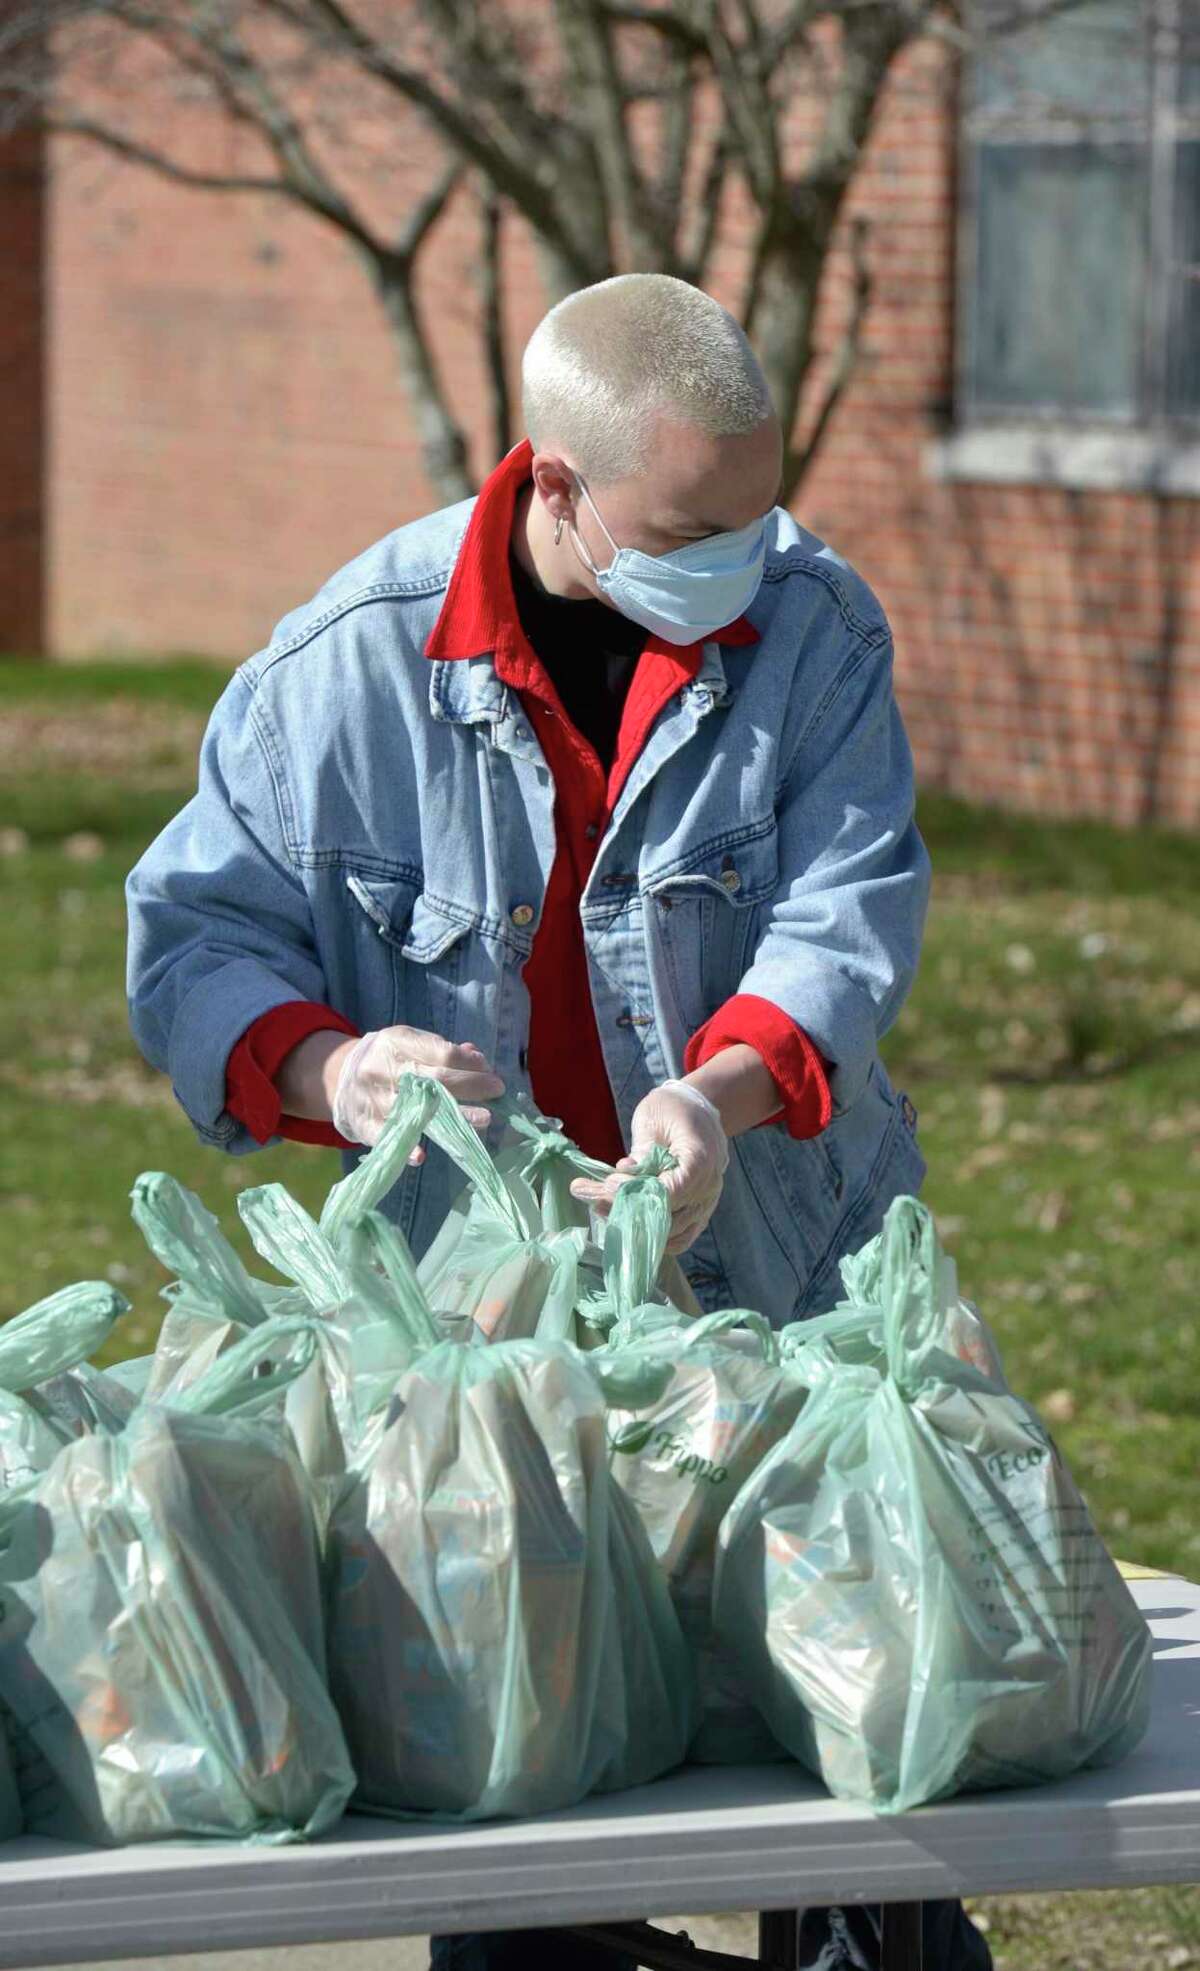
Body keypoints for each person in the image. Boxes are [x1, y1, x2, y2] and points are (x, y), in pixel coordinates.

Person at [125, 273, 990, 1971]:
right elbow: (198, 944)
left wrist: (718, 1098)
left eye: (758, 512)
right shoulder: (345, 667)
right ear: (555, 484)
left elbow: (845, 917)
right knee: (516, 1779)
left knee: (860, 1756)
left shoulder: (814, 625)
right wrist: (337, 1072)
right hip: (479, 1351)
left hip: (772, 1274)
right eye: (694, 530)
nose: (743, 562)